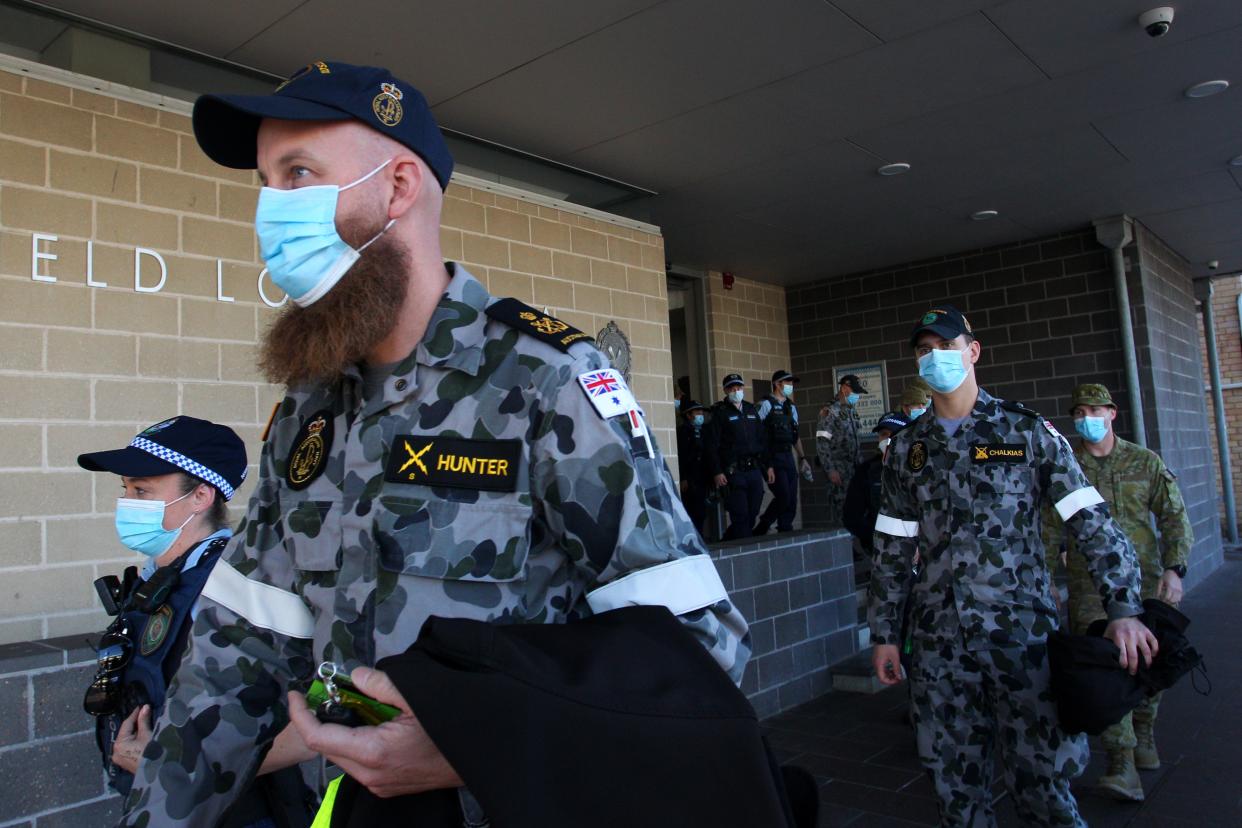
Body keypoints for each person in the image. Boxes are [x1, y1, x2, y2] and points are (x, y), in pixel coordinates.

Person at [117, 62, 749, 827]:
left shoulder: (544, 382)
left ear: (400, 185)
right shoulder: (309, 410)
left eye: (298, 175)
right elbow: (232, 661)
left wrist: (472, 747)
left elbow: (702, 654)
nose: (269, 213)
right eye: (265, 183)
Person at [870, 305, 1158, 827]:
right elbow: (892, 546)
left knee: (1043, 787)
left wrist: (1122, 606)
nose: (936, 359)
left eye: (946, 347)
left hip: (1019, 638)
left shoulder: (1025, 432)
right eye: (924, 351)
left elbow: (1089, 519)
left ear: (973, 351)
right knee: (955, 792)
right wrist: (885, 631)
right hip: (940, 643)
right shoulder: (908, 450)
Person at [78, 416, 314, 827]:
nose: (128, 502)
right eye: (126, 489)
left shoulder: (242, 585)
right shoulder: (158, 578)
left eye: (143, 490)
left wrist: (171, 768)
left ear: (201, 495)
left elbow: (310, 726)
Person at [1042, 383, 1193, 801]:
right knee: (1107, 667)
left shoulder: (1144, 462)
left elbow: (1174, 517)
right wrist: (1047, 580)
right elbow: (1049, 530)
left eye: (1094, 410)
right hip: (1091, 586)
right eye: (1079, 412)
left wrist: (1174, 569)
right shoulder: (1068, 468)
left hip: (1146, 582)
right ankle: (1121, 763)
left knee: (1149, 662)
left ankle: (1143, 734)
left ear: (1112, 413)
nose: (1086, 418)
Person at [704, 373, 773, 541]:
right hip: (734, 473)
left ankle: (726, 543)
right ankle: (744, 553)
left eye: (739, 387)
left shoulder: (750, 409)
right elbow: (711, 446)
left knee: (752, 513)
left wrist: (768, 466)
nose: (736, 391)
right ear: (726, 390)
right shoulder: (720, 413)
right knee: (740, 515)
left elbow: (762, 439)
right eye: (733, 388)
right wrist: (717, 472)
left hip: (754, 470)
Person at [754, 370, 813, 535]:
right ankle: (764, 525)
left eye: (791, 383)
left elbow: (795, 436)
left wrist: (803, 458)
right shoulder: (765, 404)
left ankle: (785, 529)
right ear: (777, 384)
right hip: (771, 457)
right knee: (783, 496)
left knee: (791, 499)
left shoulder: (791, 407)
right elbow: (756, 433)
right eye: (787, 382)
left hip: (788, 456)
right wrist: (766, 463)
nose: (790, 386)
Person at [842, 411, 909, 552]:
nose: (887, 438)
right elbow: (852, 516)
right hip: (882, 552)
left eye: (893, 433)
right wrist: (874, 539)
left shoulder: (921, 468)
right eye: (883, 434)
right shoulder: (867, 471)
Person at [816, 374, 867, 527]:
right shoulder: (830, 411)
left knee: (856, 510)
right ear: (844, 388)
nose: (856, 396)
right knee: (842, 512)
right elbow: (822, 442)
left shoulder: (851, 411)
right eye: (855, 391)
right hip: (839, 471)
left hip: (854, 468)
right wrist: (830, 470)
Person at [676, 399, 712, 536]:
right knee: (692, 512)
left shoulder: (705, 431)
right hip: (690, 479)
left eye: (701, 411)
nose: (700, 414)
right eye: (697, 412)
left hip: (703, 477)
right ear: (688, 415)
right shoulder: (683, 432)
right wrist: (684, 477)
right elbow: (681, 456)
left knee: (701, 512)